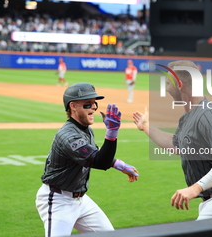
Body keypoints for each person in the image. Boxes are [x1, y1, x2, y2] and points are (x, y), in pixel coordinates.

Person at [133, 60, 212, 220]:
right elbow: (176, 145)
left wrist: (196, 188)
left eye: (169, 84)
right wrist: (146, 127)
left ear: (180, 84)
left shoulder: (209, 114)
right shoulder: (190, 115)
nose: (167, 89)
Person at [36, 82, 139, 237]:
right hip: (58, 200)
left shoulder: (85, 130)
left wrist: (119, 164)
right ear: (73, 106)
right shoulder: (69, 135)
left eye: (94, 104)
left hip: (81, 200)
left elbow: (95, 153)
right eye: (87, 104)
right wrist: (111, 133)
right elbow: (98, 162)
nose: (94, 108)